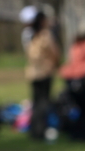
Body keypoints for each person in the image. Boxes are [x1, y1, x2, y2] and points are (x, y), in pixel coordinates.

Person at [25, 10, 61, 142]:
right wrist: (57, 64)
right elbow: (54, 52)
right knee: (43, 103)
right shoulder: (45, 35)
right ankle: (40, 131)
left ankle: (34, 130)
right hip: (44, 73)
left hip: (33, 74)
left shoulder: (32, 35)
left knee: (36, 103)